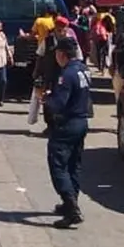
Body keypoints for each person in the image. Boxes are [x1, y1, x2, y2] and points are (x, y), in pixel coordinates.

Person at [43, 37, 92, 229]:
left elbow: (58, 103)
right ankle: (71, 201)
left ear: (62, 54)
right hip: (81, 121)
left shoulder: (67, 74)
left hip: (67, 124)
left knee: (58, 164)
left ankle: (71, 208)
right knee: (74, 164)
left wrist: (46, 100)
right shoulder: (83, 69)